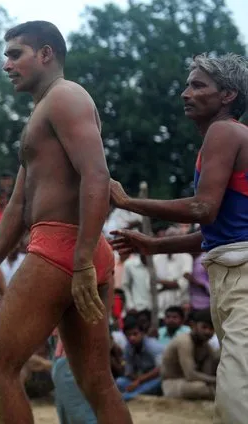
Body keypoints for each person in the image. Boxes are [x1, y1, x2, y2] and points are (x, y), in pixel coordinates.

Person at [0, 21, 132, 423]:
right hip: (76, 249)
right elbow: (20, 205)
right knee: (96, 381)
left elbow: (97, 175)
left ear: (45, 54)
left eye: (14, 54)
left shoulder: (66, 97)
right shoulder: (46, 110)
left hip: (64, 249)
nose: (6, 64)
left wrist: (79, 261)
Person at [109, 52, 248, 424]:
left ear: (228, 95)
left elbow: (203, 209)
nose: (186, 93)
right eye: (188, 84)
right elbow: (215, 229)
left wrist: (127, 202)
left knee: (235, 400)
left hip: (241, 279)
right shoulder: (223, 140)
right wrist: (155, 246)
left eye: (198, 85)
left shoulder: (225, 131)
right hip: (231, 275)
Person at [161, 309, 218, 400]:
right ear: (193, 326)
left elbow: (211, 367)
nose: (208, 332)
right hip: (172, 384)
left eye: (211, 328)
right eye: (204, 327)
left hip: (190, 382)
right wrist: (216, 380)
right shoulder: (184, 341)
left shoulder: (206, 346)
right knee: (201, 387)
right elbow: (190, 375)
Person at [116, 316, 164, 401]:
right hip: (140, 379)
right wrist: (136, 381)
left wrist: (138, 381)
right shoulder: (128, 347)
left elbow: (160, 369)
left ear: (142, 333)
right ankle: (133, 393)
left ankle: (129, 396)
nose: (132, 338)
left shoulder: (152, 346)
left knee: (158, 383)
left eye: (135, 334)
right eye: (128, 335)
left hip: (154, 379)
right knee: (120, 381)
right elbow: (128, 371)